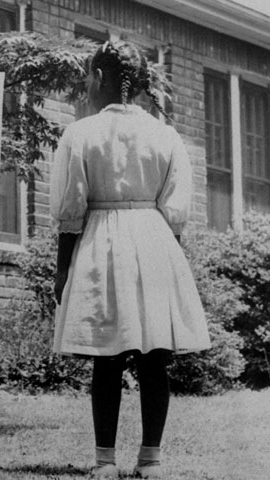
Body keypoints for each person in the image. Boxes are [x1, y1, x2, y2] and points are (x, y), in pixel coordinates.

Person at [50, 40, 211, 479]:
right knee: (154, 354)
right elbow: (177, 209)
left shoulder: (80, 134)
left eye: (88, 76)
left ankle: (106, 460)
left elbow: (71, 207)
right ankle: (150, 459)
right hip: (156, 241)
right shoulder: (166, 134)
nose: (86, 84)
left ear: (98, 78)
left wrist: (63, 267)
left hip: (103, 241)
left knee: (108, 354)